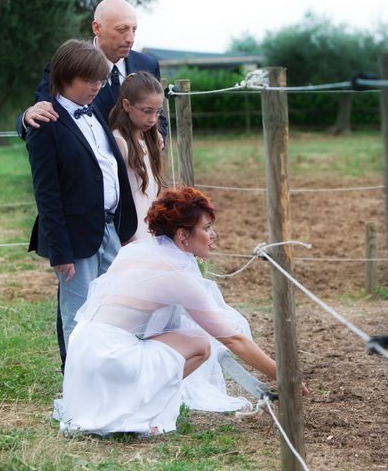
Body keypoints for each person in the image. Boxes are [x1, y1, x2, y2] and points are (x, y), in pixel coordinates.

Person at [57, 187, 307, 437]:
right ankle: (140, 408)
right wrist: (285, 375)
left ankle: (122, 399)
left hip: (82, 351)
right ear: (183, 236)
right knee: (200, 344)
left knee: (184, 335)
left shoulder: (136, 251)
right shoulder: (176, 275)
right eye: (206, 228)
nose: (214, 235)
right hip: (110, 358)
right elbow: (233, 340)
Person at [26, 39, 137, 371]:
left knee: (115, 309)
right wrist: (60, 251)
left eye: (100, 80)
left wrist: (125, 225)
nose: (97, 87)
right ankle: (80, 395)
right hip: (76, 239)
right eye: (89, 80)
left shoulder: (95, 113)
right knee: (79, 317)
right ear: (64, 78)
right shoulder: (47, 125)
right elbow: (47, 194)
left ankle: (111, 383)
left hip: (110, 228)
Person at [16, 0, 166, 139]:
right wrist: (25, 118)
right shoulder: (68, 64)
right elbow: (40, 113)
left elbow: (160, 118)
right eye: (122, 30)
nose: (130, 39)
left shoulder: (148, 65)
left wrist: (157, 140)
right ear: (96, 28)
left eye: (134, 30)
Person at [109, 71, 166, 241]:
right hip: (132, 233)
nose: (153, 119)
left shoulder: (152, 139)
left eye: (158, 112)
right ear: (127, 105)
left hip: (151, 227)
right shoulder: (119, 142)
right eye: (147, 111)